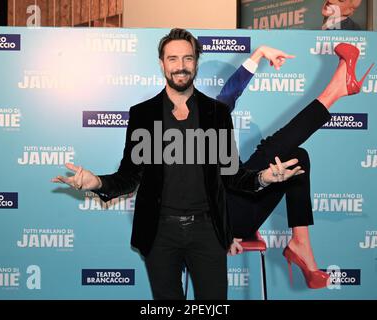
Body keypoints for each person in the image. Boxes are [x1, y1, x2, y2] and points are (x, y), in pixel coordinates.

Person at [52, 28, 302, 300]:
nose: (180, 66)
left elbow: (232, 177)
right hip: (159, 233)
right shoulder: (142, 115)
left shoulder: (216, 113)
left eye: (187, 58)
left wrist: (264, 178)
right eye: (172, 59)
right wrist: (97, 182)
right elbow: (129, 176)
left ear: (196, 62)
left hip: (208, 231)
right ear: (162, 63)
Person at [221, 42, 373, 289]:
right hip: (222, 221)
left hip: (241, 199)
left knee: (296, 158)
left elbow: (229, 93)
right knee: (273, 151)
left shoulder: (211, 116)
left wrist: (258, 54)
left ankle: (301, 244)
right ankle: (335, 91)